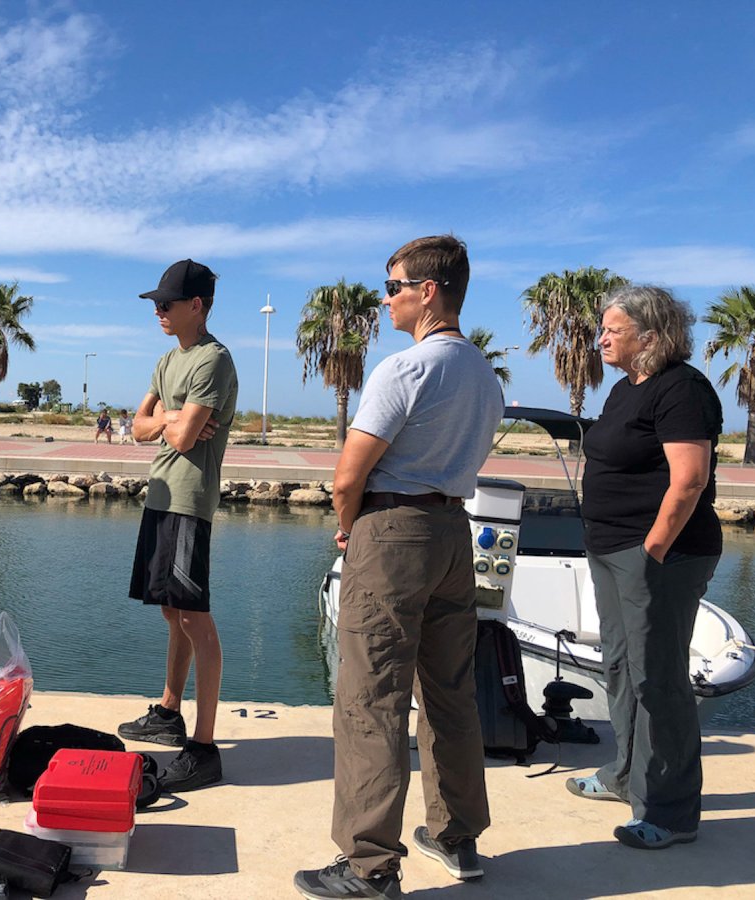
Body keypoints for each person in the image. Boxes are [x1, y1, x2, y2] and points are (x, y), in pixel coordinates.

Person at [294, 236, 502, 900]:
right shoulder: (484, 375)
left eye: (394, 287)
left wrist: (350, 525)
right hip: (452, 532)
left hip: (394, 532)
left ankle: (369, 866)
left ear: (428, 291)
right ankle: (456, 835)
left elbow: (348, 474)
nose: (386, 300)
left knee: (371, 698)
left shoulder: (406, 369)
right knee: (449, 692)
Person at [566, 285, 722, 850]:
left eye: (613, 330)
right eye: (603, 329)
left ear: (650, 337)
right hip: (611, 549)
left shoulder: (682, 389)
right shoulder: (624, 389)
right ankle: (625, 776)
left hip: (662, 555)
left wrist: (652, 550)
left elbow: (690, 480)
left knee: (658, 678)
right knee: (620, 666)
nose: (601, 339)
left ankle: (671, 812)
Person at [117, 259, 238, 793]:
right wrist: (169, 416)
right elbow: (137, 427)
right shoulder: (168, 360)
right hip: (160, 494)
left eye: (166, 304)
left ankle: (205, 748)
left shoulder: (213, 360)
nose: (158, 312)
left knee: (194, 616)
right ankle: (169, 712)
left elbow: (186, 439)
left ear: (197, 305)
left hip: (189, 500)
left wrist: (167, 422)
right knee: (172, 610)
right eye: (155, 304)